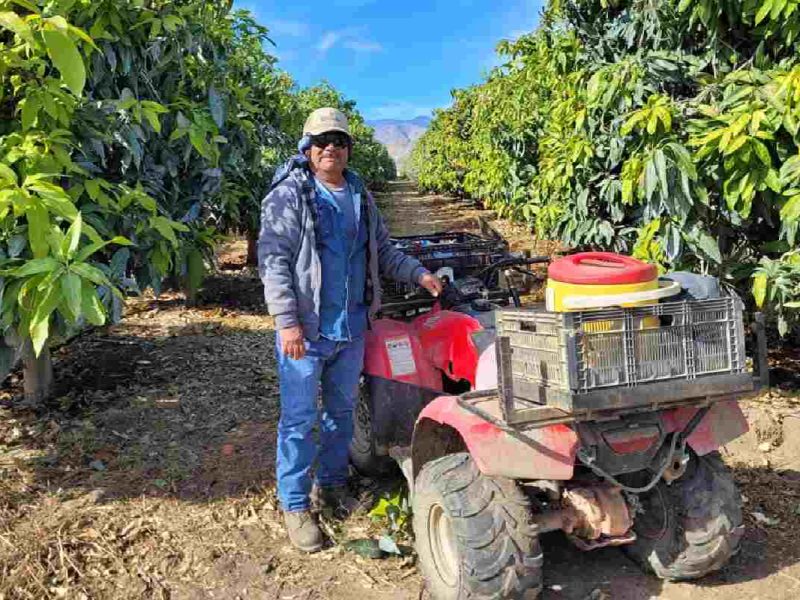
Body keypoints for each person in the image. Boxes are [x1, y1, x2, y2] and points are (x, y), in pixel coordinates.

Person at [257, 107, 442, 552]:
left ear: (348, 148)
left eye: (339, 140)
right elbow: (274, 261)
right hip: (306, 330)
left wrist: (419, 274)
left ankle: (333, 485)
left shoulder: (359, 193)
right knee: (299, 420)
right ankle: (296, 504)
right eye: (321, 141)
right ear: (307, 147)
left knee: (341, 412)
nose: (330, 148)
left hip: (351, 326)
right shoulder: (290, 196)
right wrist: (286, 322)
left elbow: (382, 249)